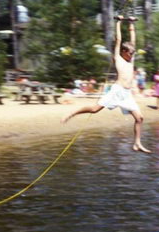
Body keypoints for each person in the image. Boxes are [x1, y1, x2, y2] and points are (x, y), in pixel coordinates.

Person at [61, 16, 150, 153]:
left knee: (140, 118)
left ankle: (137, 143)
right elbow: (119, 40)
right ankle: (72, 113)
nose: (132, 55)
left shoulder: (130, 61)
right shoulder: (119, 59)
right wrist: (119, 22)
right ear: (124, 52)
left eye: (133, 53)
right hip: (117, 90)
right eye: (130, 53)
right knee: (94, 109)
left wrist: (131, 24)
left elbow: (133, 41)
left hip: (127, 94)